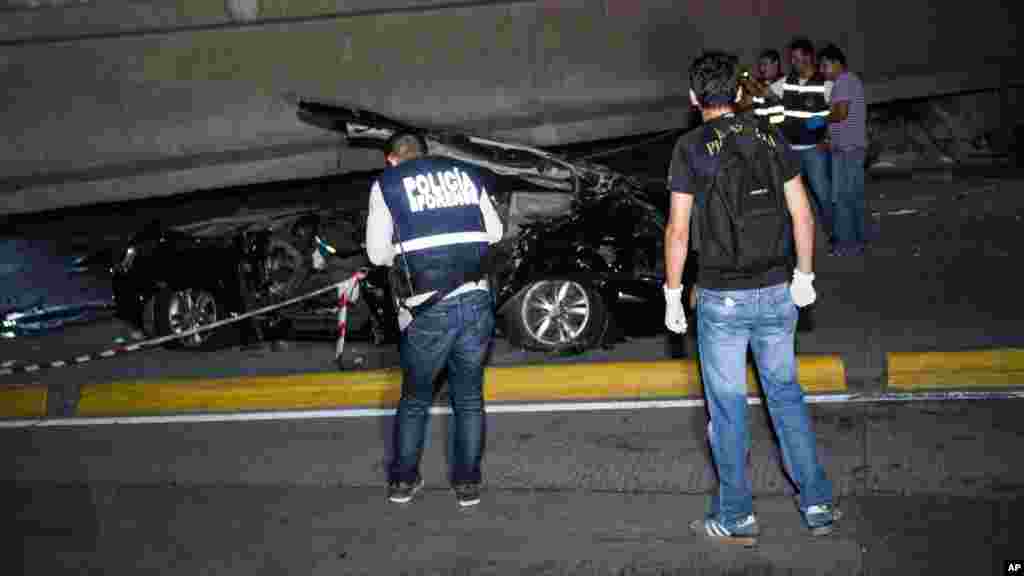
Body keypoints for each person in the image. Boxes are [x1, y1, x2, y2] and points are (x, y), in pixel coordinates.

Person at [665, 51, 839, 546]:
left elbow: (679, 230)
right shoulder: (770, 135)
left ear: (695, 98)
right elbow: (801, 213)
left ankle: (737, 515)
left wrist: (673, 294)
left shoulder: (690, 147)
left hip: (722, 298)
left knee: (727, 410)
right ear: (740, 93)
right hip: (778, 291)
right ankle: (817, 502)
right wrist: (804, 274)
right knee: (786, 398)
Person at [365, 132, 504, 508]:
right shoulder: (467, 173)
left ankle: (403, 482)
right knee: (469, 399)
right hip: (476, 302)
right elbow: (495, 232)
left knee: (414, 399)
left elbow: (378, 254)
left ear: (392, 159)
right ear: (427, 154)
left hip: (427, 309)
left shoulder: (387, 184)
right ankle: (467, 485)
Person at [770, 37, 835, 247]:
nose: (795, 63)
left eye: (799, 58)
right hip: (790, 151)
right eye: (792, 59)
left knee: (823, 194)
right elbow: (765, 94)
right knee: (789, 200)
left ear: (809, 57)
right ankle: (789, 244)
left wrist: (828, 138)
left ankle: (834, 233)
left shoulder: (825, 84)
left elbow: (838, 115)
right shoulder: (786, 82)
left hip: (813, 151)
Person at [818, 43, 867, 255]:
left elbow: (841, 113)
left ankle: (848, 244)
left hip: (847, 149)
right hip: (849, 147)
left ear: (837, 63)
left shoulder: (844, 81)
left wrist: (818, 119)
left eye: (824, 65)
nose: (822, 70)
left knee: (843, 197)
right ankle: (857, 240)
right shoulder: (848, 81)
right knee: (852, 196)